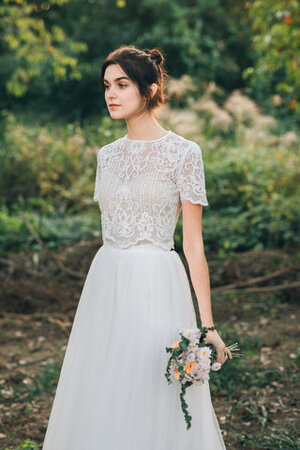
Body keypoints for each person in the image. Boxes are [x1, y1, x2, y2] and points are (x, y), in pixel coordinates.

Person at [42, 45, 232, 450]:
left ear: (150, 88)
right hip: (106, 279)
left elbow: (193, 246)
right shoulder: (106, 156)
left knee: (151, 381)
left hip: (156, 281)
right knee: (103, 379)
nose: (111, 93)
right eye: (107, 85)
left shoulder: (183, 153)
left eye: (122, 84)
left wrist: (208, 326)